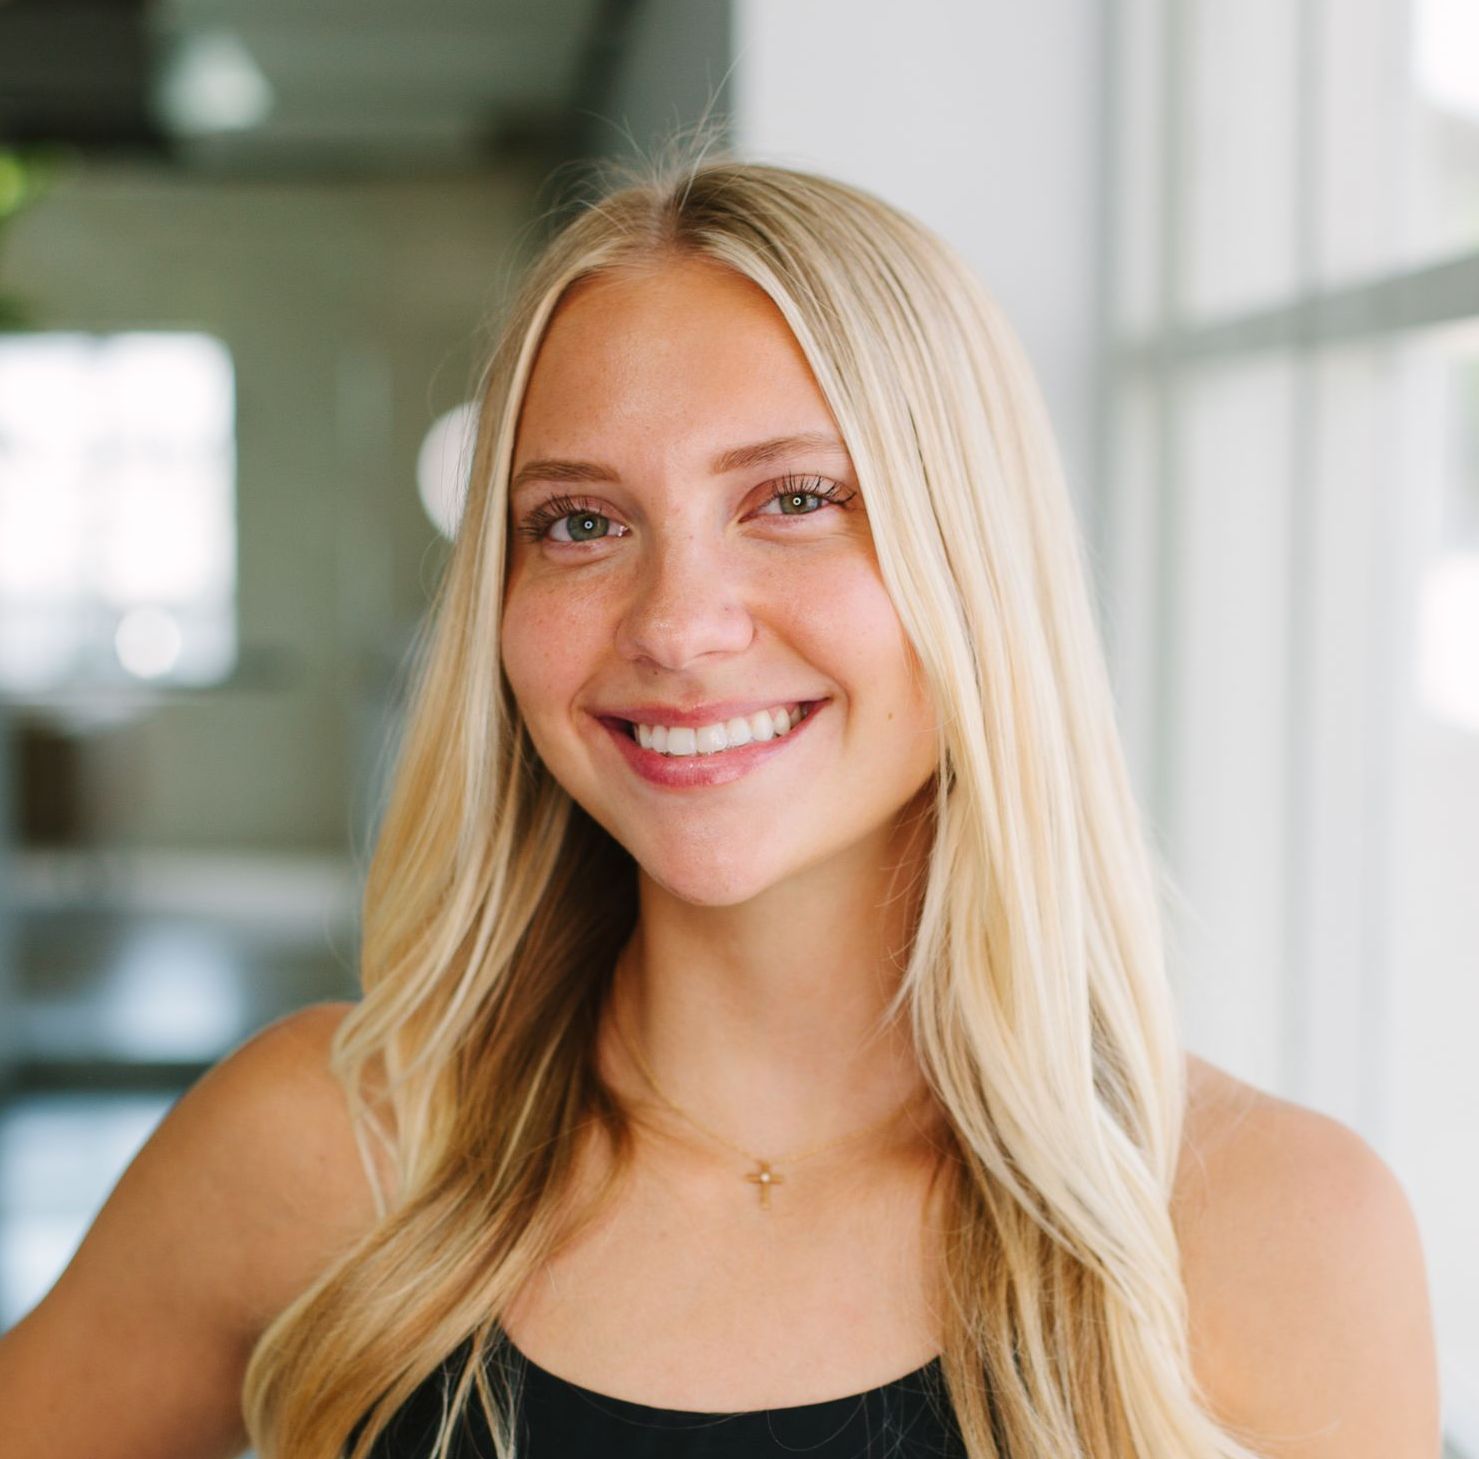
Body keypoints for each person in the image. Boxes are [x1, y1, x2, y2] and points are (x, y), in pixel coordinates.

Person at [0, 153, 1440, 1459]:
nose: (678, 624)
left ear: (974, 557)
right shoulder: (325, 1147)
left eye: (795, 498)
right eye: (579, 522)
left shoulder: (1270, 1226)